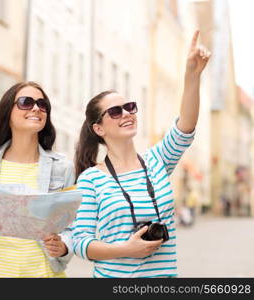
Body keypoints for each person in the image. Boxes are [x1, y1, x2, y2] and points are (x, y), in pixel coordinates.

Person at [72, 30, 210, 278]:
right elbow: (80, 242)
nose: (126, 113)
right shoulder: (90, 180)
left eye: (129, 107)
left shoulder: (157, 161)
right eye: (115, 111)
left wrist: (192, 75)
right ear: (98, 128)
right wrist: (126, 249)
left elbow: (186, 126)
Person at [0, 81, 75, 278]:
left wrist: (63, 246)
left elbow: (71, 229)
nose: (36, 108)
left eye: (42, 105)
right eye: (26, 102)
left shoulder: (62, 167)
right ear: (8, 112)